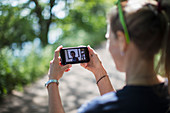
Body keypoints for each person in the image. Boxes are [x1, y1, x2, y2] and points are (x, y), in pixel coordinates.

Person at [45, 0, 170, 113]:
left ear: (121, 41)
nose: (108, 46)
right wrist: (99, 72)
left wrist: (52, 81)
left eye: (108, 38)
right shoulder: (165, 94)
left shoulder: (96, 109)